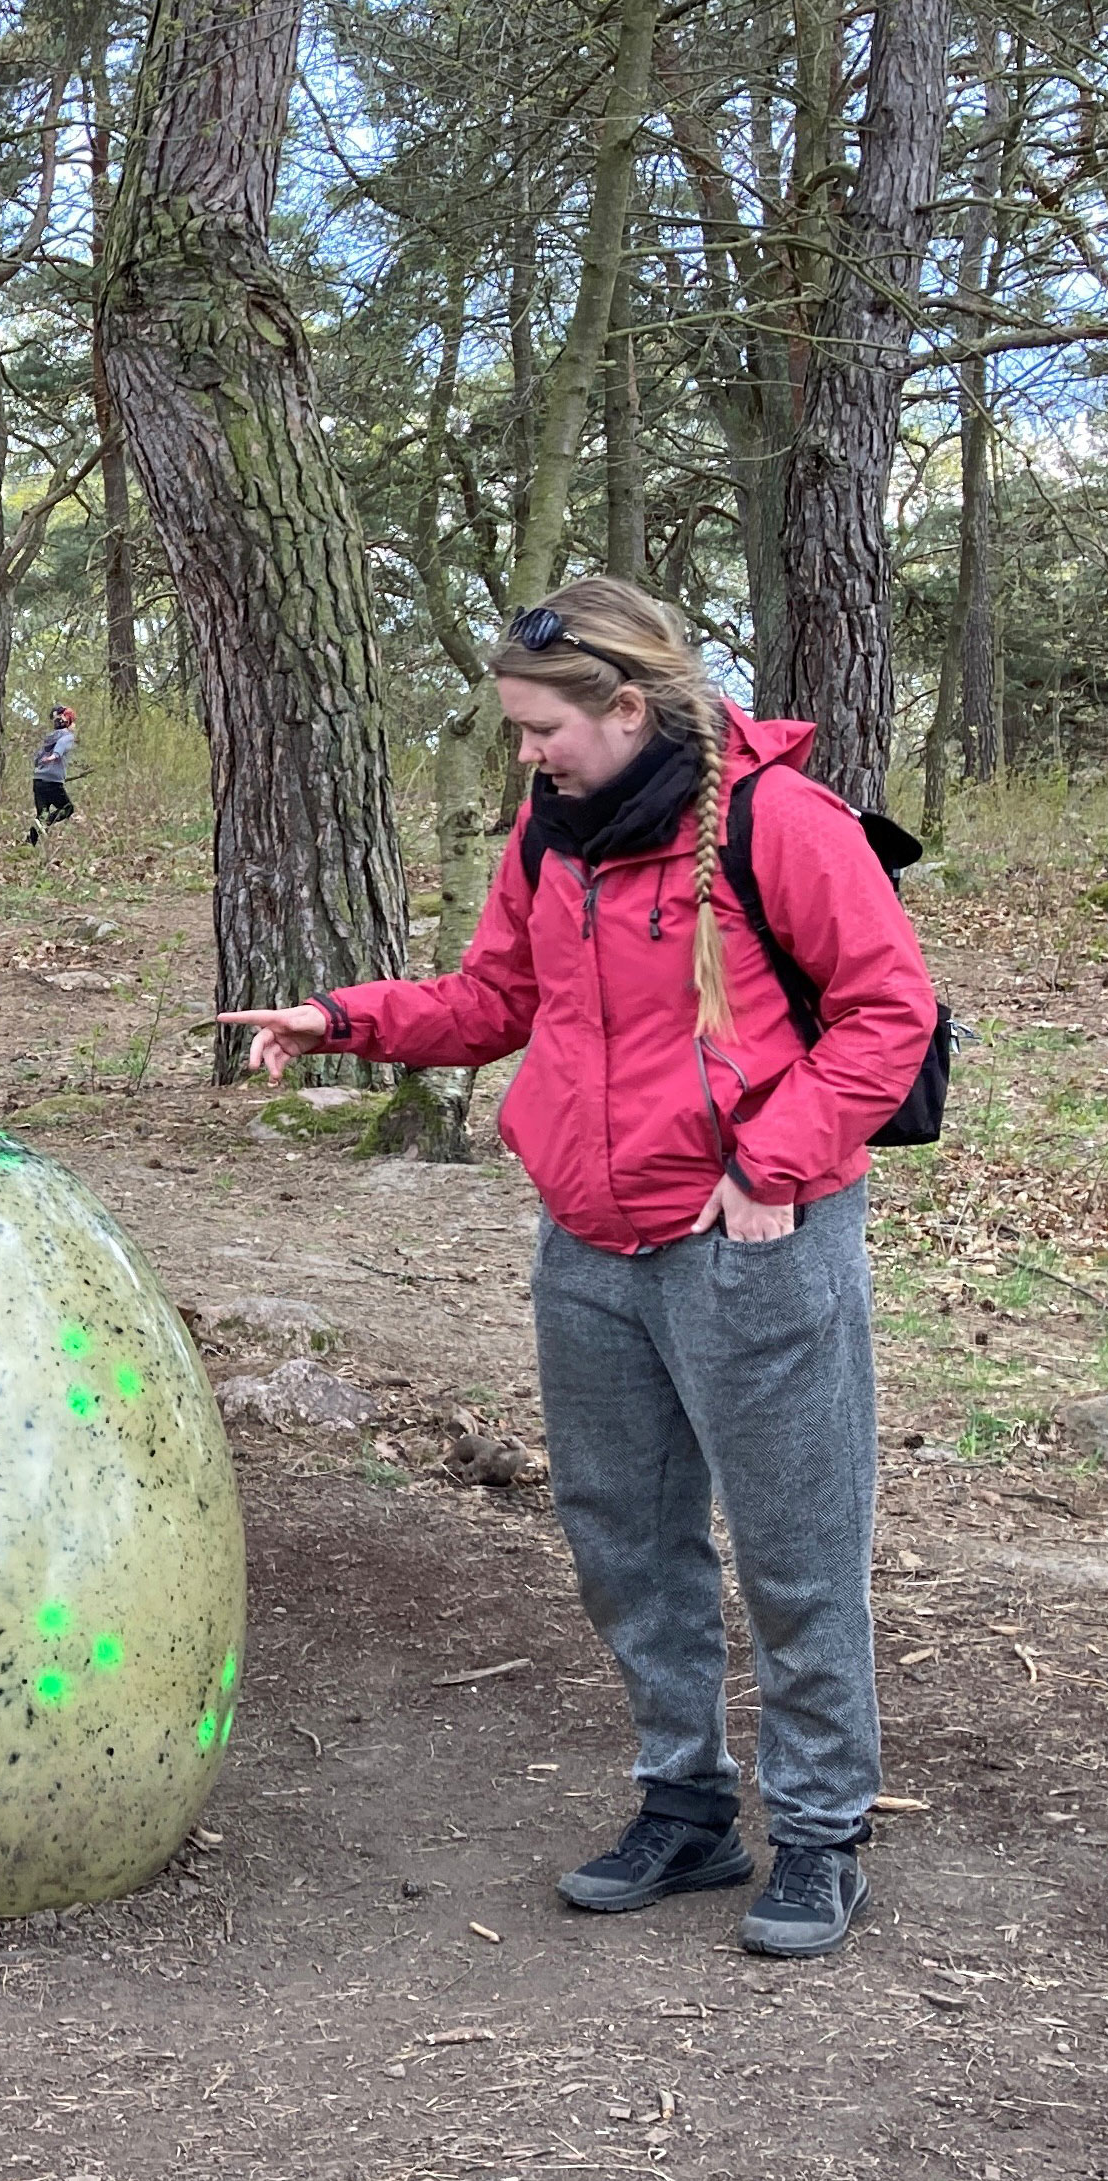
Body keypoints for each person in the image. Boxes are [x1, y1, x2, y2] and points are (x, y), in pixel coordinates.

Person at [216, 576, 936, 1960]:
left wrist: (772, 1166)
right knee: (625, 1544)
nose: (527, 753)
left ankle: (822, 1833)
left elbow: (886, 1011)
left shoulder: (780, 822)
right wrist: (340, 1020)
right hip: (590, 1243)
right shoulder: (552, 832)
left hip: (751, 1240)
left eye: (544, 728)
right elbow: (497, 1000)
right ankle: (687, 1806)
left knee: (796, 1550)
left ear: (629, 708)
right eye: (517, 729)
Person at [28, 705, 78, 843]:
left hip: (38, 780)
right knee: (67, 808)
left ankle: (28, 844)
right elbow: (61, 745)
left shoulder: (49, 738)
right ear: (68, 721)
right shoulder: (67, 736)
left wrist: (40, 765)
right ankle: (46, 823)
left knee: (42, 815)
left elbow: (37, 757)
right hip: (53, 782)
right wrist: (55, 755)